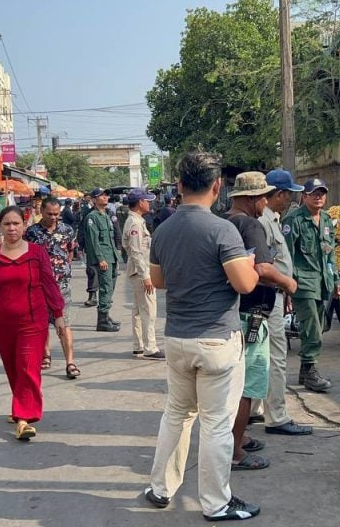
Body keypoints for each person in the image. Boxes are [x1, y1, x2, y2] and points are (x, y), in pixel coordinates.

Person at [143, 151, 262, 522]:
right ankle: (215, 503)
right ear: (217, 186)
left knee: (177, 415)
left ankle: (160, 488)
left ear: (179, 186)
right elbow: (244, 284)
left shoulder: (163, 230)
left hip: (177, 338)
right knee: (215, 424)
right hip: (216, 340)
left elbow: (158, 280)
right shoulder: (222, 230)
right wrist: (252, 267)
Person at [0, 206, 67, 441]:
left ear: (24, 226)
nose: (12, 228)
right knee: (13, 368)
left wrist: (58, 313)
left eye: (16, 223)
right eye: (7, 224)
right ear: (0, 227)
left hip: (33, 321)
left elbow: (49, 284)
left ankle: (24, 419)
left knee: (28, 367)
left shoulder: (37, 253)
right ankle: (21, 405)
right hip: (3, 323)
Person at [224, 172, 298, 472]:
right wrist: (288, 283)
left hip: (232, 312)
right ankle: (235, 451)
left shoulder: (224, 222)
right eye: (263, 197)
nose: (266, 203)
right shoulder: (250, 225)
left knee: (235, 382)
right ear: (253, 198)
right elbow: (264, 269)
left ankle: (237, 438)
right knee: (248, 385)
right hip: (253, 313)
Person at [250, 169, 314, 437]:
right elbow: (263, 266)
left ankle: (254, 408)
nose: (291, 200)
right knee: (275, 356)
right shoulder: (263, 222)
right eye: (289, 194)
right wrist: (286, 284)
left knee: (259, 354)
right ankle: (276, 416)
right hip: (268, 296)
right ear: (278, 194)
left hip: (273, 295)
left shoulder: (272, 219)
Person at [283, 178, 340, 393]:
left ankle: (304, 370)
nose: (318, 197)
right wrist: (287, 286)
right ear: (304, 196)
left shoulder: (326, 220)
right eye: (314, 193)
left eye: (322, 193)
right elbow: (287, 255)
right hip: (302, 282)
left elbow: (330, 253)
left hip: (322, 281)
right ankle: (310, 371)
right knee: (312, 327)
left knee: (320, 324)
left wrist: (336, 279)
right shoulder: (294, 220)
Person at [25, 197, 81, 379]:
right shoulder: (31, 233)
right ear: (41, 211)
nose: (53, 217)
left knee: (64, 323)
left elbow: (70, 251)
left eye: (56, 214)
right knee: (42, 323)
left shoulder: (67, 230)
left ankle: (70, 362)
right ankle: (45, 354)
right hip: (38, 285)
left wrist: (64, 268)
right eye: (50, 214)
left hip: (61, 285)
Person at [122, 188, 164, 360]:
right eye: (147, 201)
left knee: (139, 310)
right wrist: (146, 276)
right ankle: (150, 348)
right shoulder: (135, 223)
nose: (149, 204)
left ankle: (139, 346)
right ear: (140, 202)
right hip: (141, 271)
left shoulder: (136, 221)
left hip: (138, 271)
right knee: (149, 310)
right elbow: (136, 251)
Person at [84, 188, 122, 332]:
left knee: (110, 286)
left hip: (111, 256)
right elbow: (94, 241)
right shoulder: (92, 217)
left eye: (106, 195)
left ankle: (106, 315)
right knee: (105, 287)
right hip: (103, 258)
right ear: (94, 200)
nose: (105, 197)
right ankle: (102, 320)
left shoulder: (106, 215)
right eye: (101, 195)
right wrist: (101, 259)